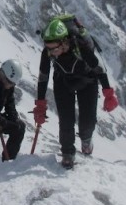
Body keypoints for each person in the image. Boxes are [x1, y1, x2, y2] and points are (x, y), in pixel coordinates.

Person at [33, 18, 118, 169]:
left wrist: (108, 93)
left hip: (87, 79)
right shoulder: (48, 52)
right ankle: (67, 153)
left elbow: (98, 68)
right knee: (66, 121)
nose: (52, 52)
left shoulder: (80, 45)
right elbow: (43, 77)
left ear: (64, 42)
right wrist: (40, 104)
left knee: (87, 121)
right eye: (49, 48)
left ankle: (86, 139)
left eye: (54, 48)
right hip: (63, 81)